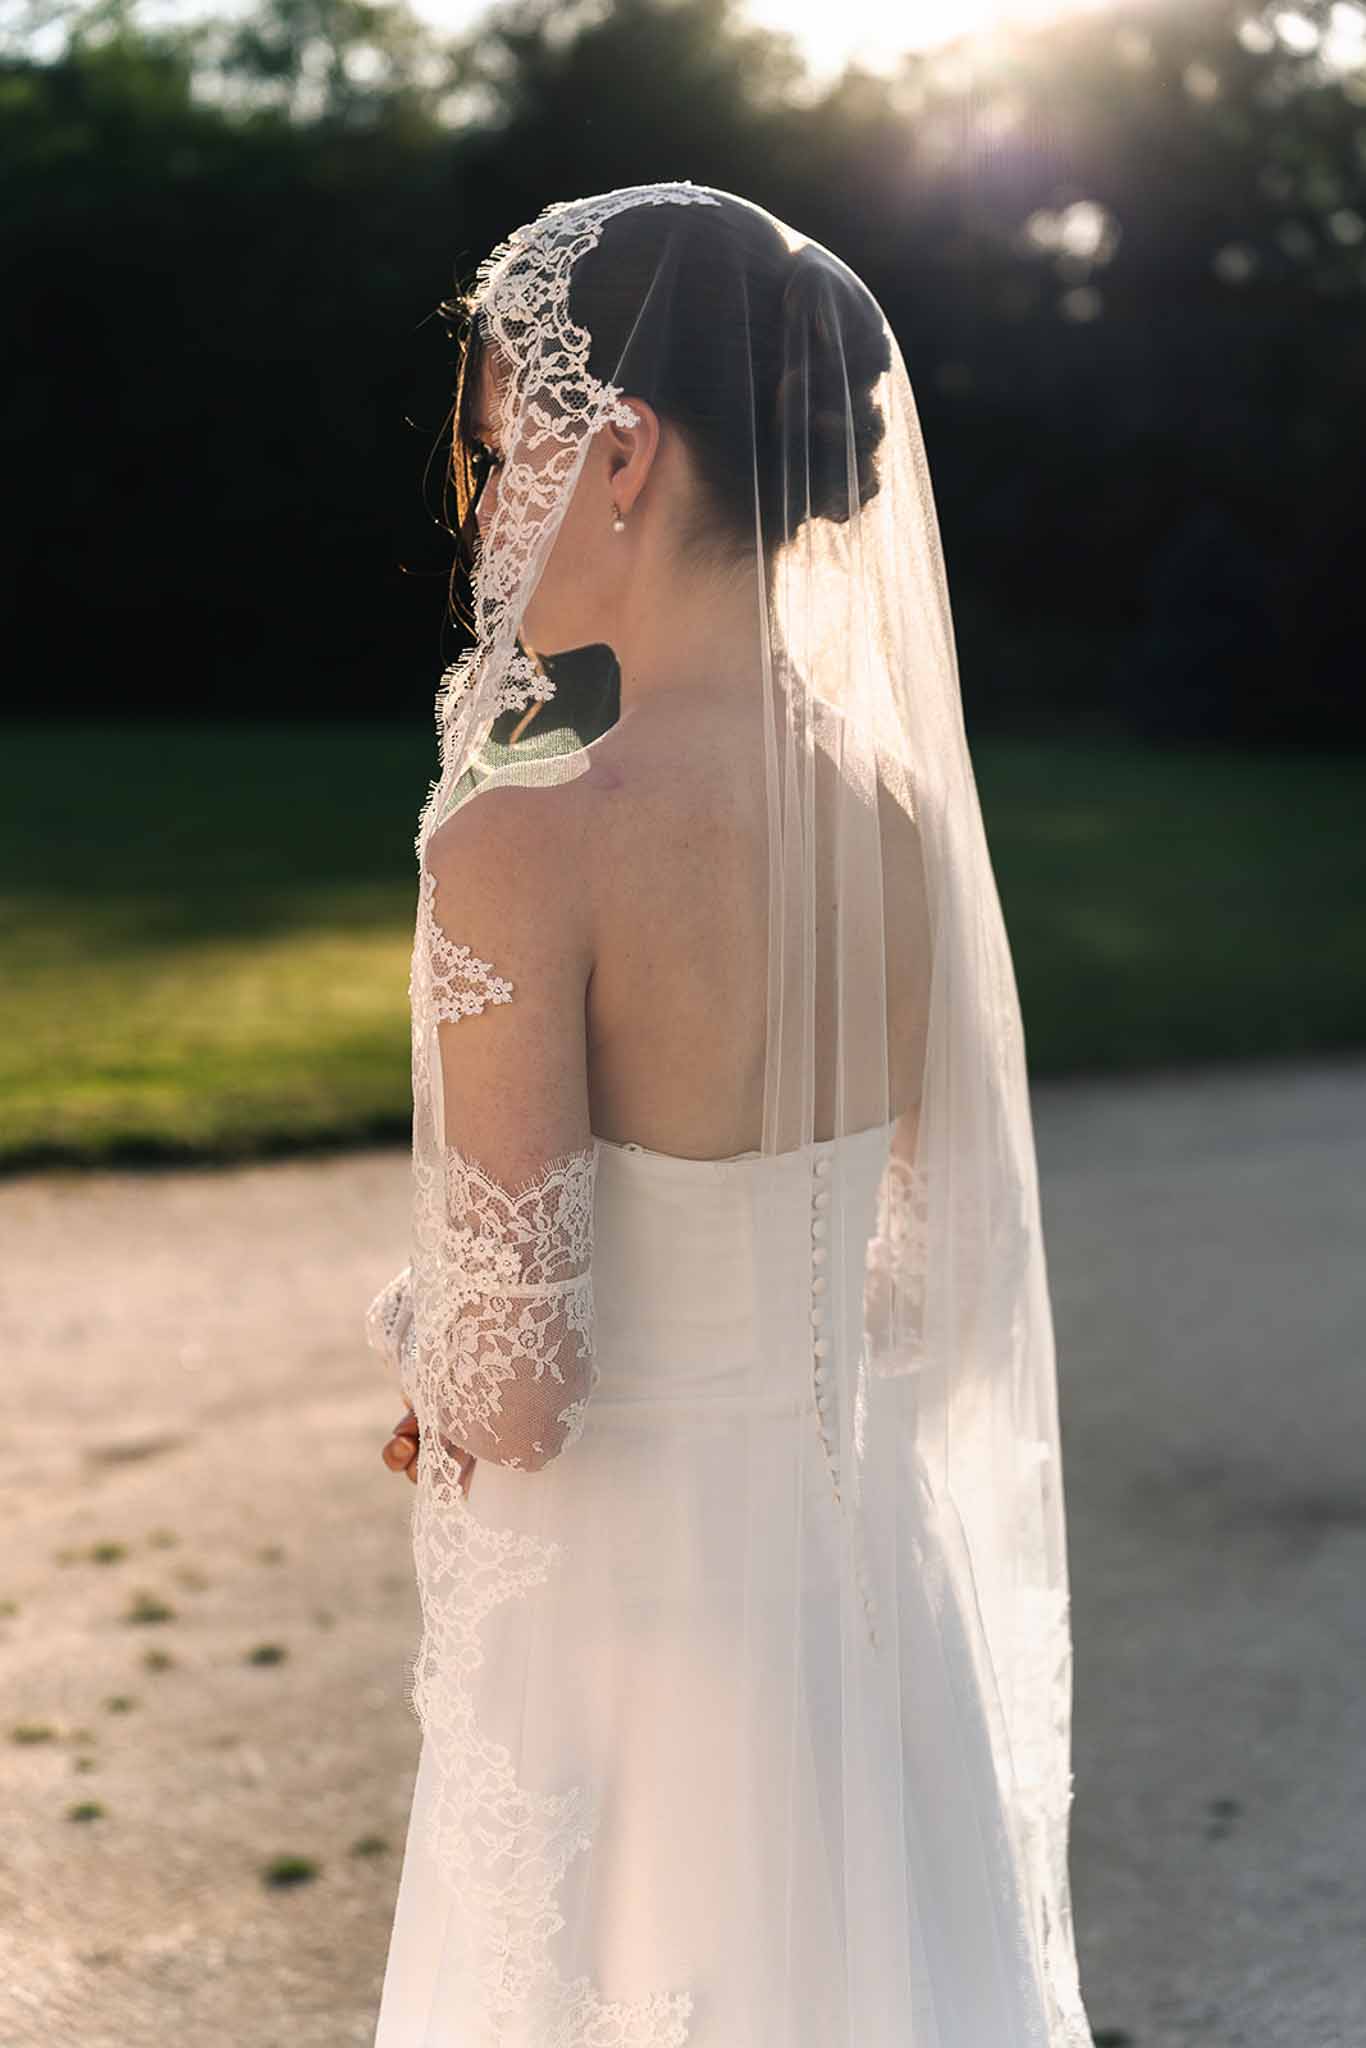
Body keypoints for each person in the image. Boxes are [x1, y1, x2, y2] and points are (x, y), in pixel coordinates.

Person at [365, 181, 1093, 2046]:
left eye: (497, 451)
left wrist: (427, 1348)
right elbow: (926, 1275)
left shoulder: (529, 842)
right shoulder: (893, 809)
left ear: (621, 450)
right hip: (861, 1587)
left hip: (645, 1617)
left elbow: (517, 1392)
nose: (475, 513)